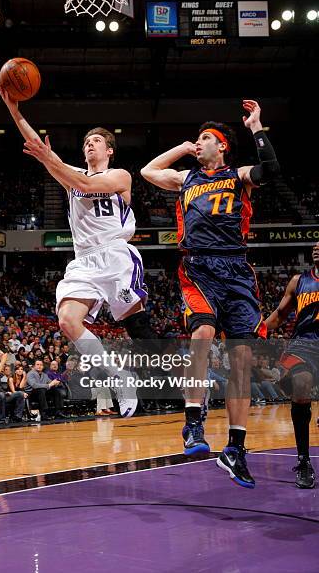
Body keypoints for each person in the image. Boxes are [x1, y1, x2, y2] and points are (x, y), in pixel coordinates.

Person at [0, 82, 160, 417]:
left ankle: (182, 386)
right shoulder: (70, 175)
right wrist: (14, 110)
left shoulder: (120, 176)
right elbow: (40, 147)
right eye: (86, 142)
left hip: (116, 255)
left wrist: (50, 161)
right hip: (84, 261)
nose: (89, 145)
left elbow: (83, 184)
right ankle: (119, 377)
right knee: (68, 321)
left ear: (109, 150)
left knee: (138, 328)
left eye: (96, 141)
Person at [141, 100, 279, 488]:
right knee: (201, 334)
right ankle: (192, 423)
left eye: (204, 139)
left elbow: (272, 169)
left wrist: (256, 127)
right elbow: (148, 171)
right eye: (197, 140)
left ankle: (235, 448)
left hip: (236, 268)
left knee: (242, 360)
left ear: (222, 147)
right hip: (199, 266)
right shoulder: (186, 179)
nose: (198, 143)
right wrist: (184, 148)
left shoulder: (238, 175)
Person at [264, 243, 319, 489]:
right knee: (301, 384)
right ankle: (304, 459)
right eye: (315, 245)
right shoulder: (299, 281)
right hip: (304, 344)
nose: (317, 247)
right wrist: (257, 330)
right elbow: (280, 314)